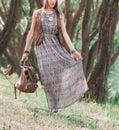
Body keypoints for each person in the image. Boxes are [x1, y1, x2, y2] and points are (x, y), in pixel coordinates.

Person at [21, 0, 88, 114]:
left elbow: (65, 33)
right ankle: (54, 108)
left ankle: (61, 102)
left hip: (56, 46)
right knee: (48, 76)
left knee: (59, 74)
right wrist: (26, 51)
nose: (53, 1)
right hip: (42, 48)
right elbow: (31, 32)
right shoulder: (37, 13)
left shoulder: (59, 15)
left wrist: (73, 50)